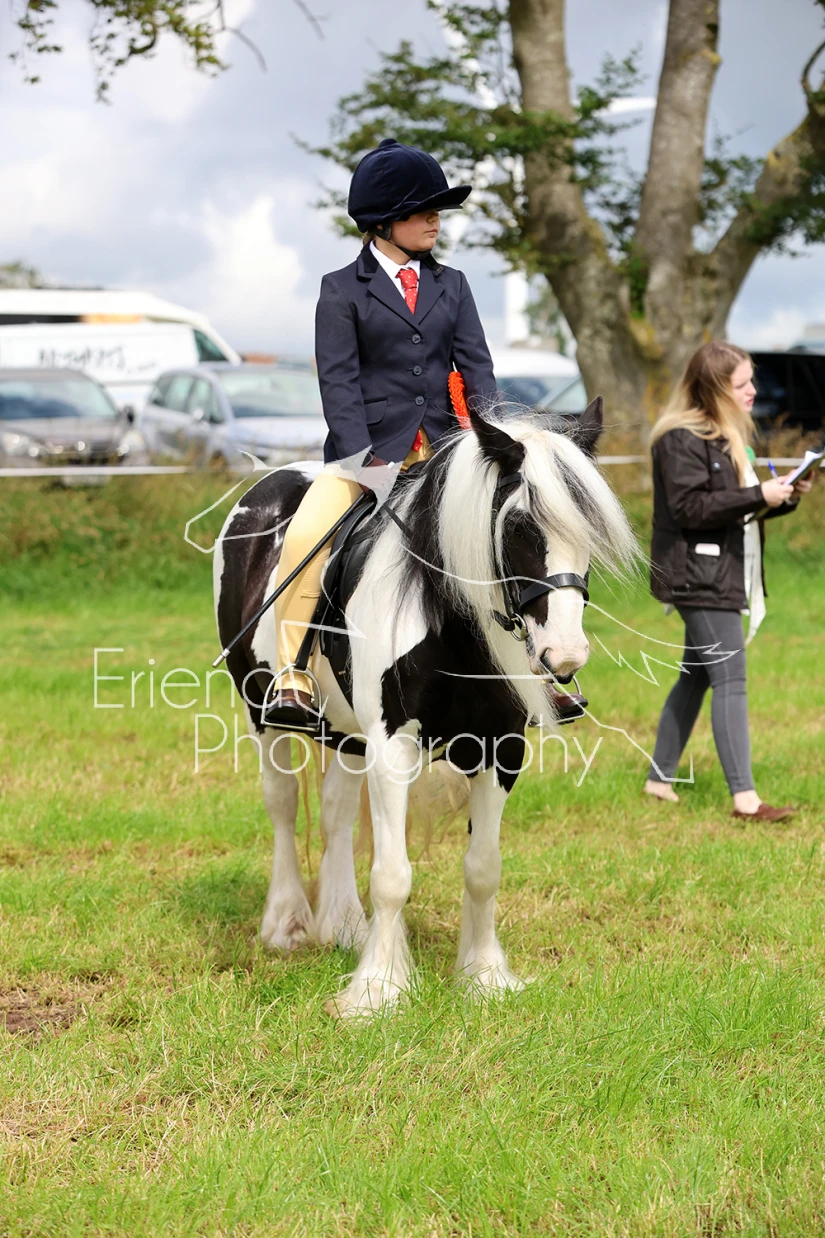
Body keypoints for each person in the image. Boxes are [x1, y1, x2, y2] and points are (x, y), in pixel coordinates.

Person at [263, 138, 499, 731]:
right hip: (366, 456)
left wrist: (492, 446)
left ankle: (541, 671)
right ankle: (292, 673)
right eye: (423, 211)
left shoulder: (454, 284)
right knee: (307, 538)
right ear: (383, 222)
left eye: (438, 211)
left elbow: (478, 371)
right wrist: (364, 464)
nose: (435, 221)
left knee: (515, 527)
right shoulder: (341, 289)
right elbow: (338, 385)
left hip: (446, 452)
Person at [644, 340, 814, 820]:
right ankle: (746, 800)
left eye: (751, 381)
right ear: (715, 388)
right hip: (698, 576)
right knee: (730, 679)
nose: (753, 391)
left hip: (717, 573)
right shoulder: (679, 439)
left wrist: (784, 494)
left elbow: (730, 511)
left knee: (696, 676)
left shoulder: (723, 437)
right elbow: (690, 509)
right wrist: (758, 493)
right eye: (742, 384)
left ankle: (658, 781)